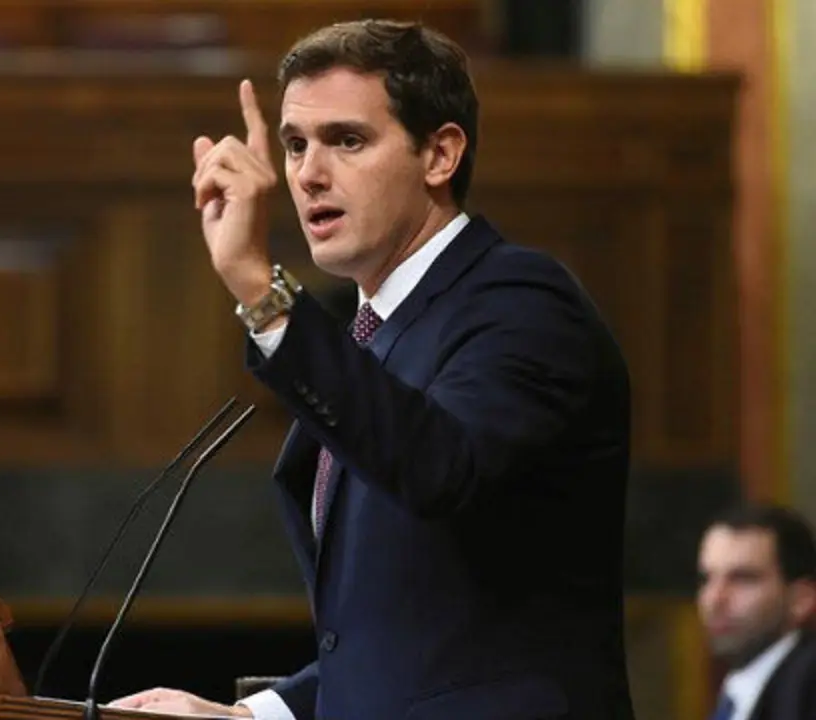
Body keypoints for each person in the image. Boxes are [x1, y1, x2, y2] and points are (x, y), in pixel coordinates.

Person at [110, 18, 634, 719]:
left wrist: (259, 290)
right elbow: (396, 638)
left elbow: (439, 468)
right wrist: (251, 715)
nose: (308, 174)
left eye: (346, 141)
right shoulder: (369, 338)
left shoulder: (522, 304)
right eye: (295, 145)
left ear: (441, 155)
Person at [697, 504, 816, 720]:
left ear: (801, 600)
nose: (714, 599)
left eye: (742, 579)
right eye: (707, 578)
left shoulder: (806, 688)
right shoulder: (738, 688)